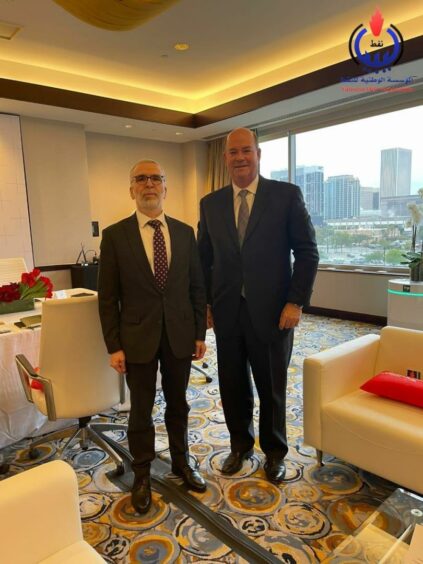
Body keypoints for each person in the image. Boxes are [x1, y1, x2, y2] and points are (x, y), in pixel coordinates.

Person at [197, 128, 319, 484]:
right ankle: (240, 446)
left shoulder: (285, 196)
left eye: (245, 151)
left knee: (272, 387)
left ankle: (275, 452)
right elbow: (205, 259)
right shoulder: (211, 203)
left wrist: (295, 301)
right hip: (227, 313)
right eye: (233, 152)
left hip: (274, 313)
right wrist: (205, 302)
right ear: (225, 158)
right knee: (232, 385)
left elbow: (308, 253)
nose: (239, 158)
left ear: (258, 153)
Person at [98, 159, 207, 514]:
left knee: (179, 404)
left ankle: (181, 463)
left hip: (178, 335)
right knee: (141, 411)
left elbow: (195, 286)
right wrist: (114, 345)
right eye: (141, 179)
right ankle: (141, 474)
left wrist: (198, 333)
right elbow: (108, 296)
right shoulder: (115, 236)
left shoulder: (184, 232)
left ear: (165, 187)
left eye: (155, 178)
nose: (149, 185)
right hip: (136, 339)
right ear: (131, 189)